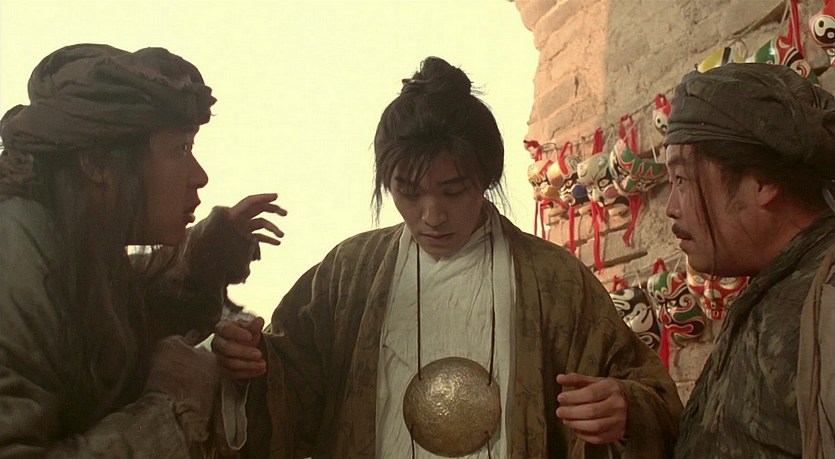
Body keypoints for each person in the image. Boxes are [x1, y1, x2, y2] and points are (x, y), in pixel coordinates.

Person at [213, 56, 681, 458]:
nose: (432, 215)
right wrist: (249, 364)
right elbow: (287, 389)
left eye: (453, 190)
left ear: (487, 177)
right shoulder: (347, 275)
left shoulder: (555, 282)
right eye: (408, 192)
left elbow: (653, 396)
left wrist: (625, 407)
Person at [0, 44, 284, 457]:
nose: (200, 176)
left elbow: (121, 313)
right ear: (97, 163)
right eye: (181, 148)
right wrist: (171, 407)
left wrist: (202, 261)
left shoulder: (71, 239)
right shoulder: (16, 261)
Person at [663, 63, 835, 458]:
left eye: (683, 180)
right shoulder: (774, 289)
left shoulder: (825, 300)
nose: (671, 207)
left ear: (762, 182)